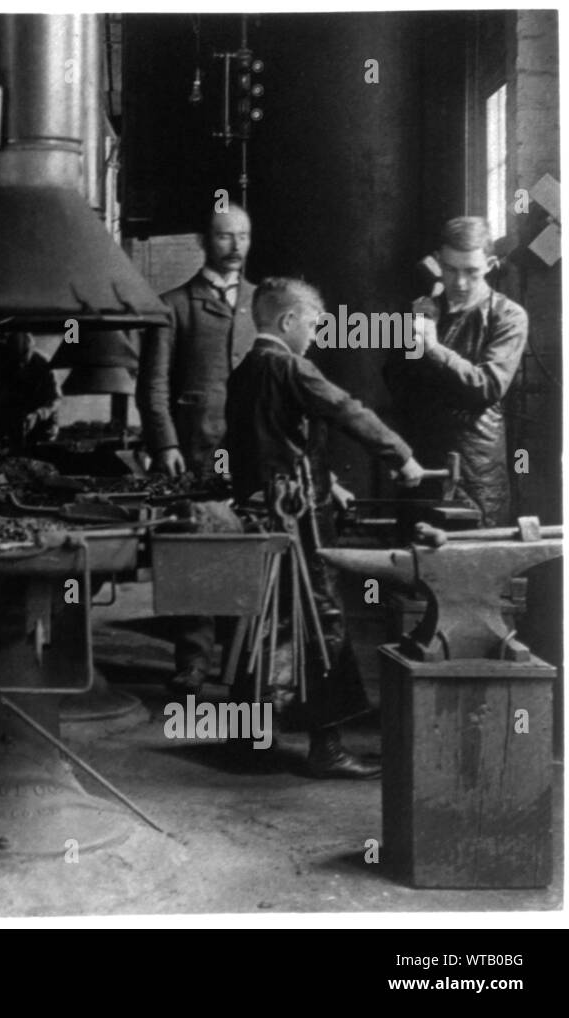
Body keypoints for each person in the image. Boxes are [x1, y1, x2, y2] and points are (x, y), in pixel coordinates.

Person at [225, 277, 425, 779]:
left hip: (258, 515)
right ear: (288, 321)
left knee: (261, 621)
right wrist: (401, 456)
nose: (315, 334)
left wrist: (328, 480)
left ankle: (249, 738)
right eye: (312, 324)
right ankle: (327, 748)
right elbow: (345, 410)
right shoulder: (292, 367)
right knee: (321, 618)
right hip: (297, 521)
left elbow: (270, 440)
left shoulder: (245, 370)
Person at [139, 203, 256, 694]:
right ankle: (193, 660)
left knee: (246, 546)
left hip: (249, 447)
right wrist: (165, 442)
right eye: (225, 237)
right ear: (204, 242)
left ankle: (244, 658)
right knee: (193, 549)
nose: (235, 247)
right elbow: (152, 387)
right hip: (193, 449)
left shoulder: (260, 301)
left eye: (243, 236)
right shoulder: (173, 305)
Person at [384, 216, 528, 525]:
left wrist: (433, 349)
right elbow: (397, 385)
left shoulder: (509, 316)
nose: (460, 283)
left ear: (489, 264)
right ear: (438, 262)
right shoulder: (420, 312)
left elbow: (486, 388)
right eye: (450, 270)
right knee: (414, 565)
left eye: (471, 271)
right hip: (421, 466)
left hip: (477, 474)